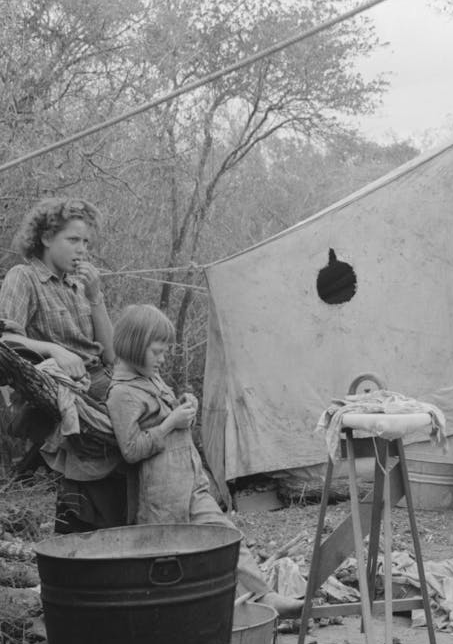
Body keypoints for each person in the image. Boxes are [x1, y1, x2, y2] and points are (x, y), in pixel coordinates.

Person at [106, 304, 302, 618]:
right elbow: (131, 449)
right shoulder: (122, 394)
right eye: (156, 351)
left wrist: (185, 407)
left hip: (191, 484)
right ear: (134, 346)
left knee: (226, 539)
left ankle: (264, 598)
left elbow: (174, 425)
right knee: (168, 565)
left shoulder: (152, 380)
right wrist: (171, 422)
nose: (162, 358)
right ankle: (170, 621)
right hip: (161, 497)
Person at [0, 197, 125, 532]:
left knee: (159, 415)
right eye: (72, 240)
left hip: (104, 379)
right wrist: (53, 350)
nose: (81, 250)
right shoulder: (23, 277)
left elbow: (111, 355)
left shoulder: (79, 285)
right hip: (67, 387)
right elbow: (5, 340)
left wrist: (95, 295)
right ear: (45, 239)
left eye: (86, 242)